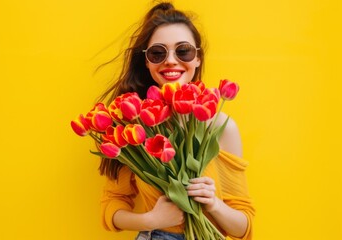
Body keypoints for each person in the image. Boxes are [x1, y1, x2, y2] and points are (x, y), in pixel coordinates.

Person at [97, 2, 255, 240]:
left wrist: (213, 204)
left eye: (183, 51)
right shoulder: (132, 128)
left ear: (198, 58)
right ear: (147, 62)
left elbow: (244, 226)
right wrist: (150, 219)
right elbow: (112, 204)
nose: (170, 60)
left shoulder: (221, 127)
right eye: (158, 53)